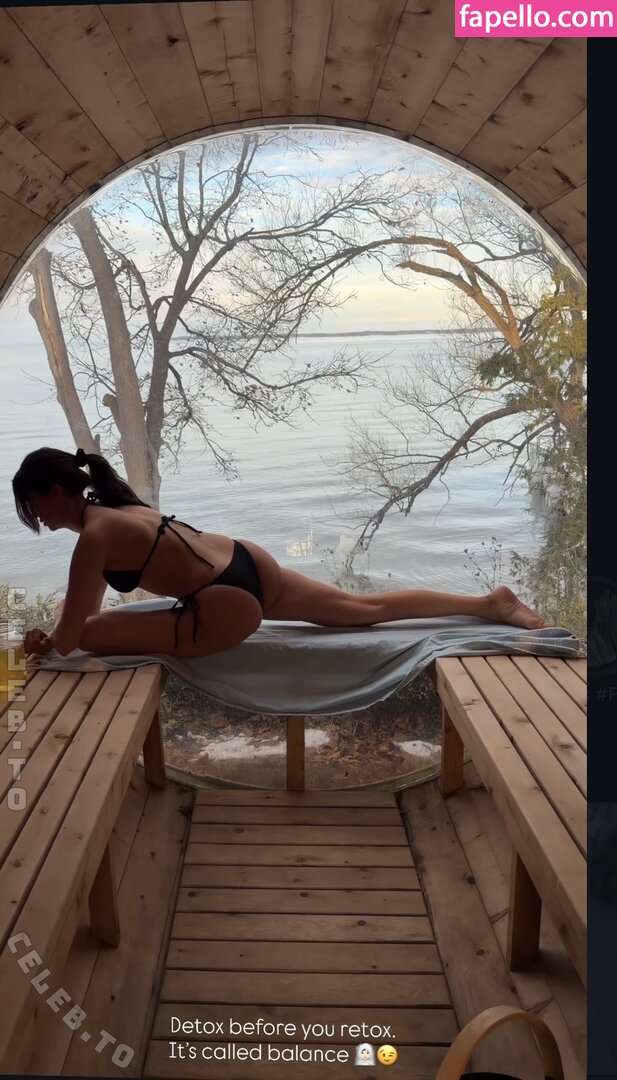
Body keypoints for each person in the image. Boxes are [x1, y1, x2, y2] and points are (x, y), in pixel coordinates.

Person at [13, 447, 547, 660]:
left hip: (224, 602)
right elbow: (85, 606)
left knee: (91, 638)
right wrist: (63, 629)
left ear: (55, 492)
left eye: (35, 508)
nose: (39, 521)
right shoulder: (115, 507)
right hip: (246, 560)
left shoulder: (94, 537)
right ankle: (488, 604)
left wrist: (46, 641)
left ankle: (489, 606)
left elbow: (73, 634)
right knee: (366, 608)